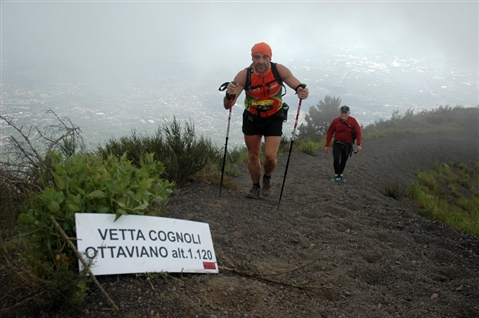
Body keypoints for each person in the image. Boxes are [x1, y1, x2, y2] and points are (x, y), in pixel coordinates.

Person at [223, 42, 309, 199]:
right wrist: (229, 94)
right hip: (252, 117)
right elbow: (228, 105)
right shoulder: (244, 75)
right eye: (257, 57)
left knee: (270, 157)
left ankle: (267, 177)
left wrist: (302, 91)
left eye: (264, 57)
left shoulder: (279, 70)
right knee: (253, 155)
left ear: (270, 57)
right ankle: (255, 186)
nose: (260, 61)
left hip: (274, 116)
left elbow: (297, 85)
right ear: (252, 58)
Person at [324, 105, 362, 182]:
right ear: (340, 112)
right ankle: (336, 175)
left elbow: (358, 132)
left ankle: (340, 175)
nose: (343, 114)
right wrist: (327, 145)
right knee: (336, 159)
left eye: (345, 112)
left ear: (349, 113)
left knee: (344, 160)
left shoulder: (353, 121)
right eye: (342, 112)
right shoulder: (335, 121)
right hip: (337, 143)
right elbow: (330, 132)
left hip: (348, 145)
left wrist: (358, 144)